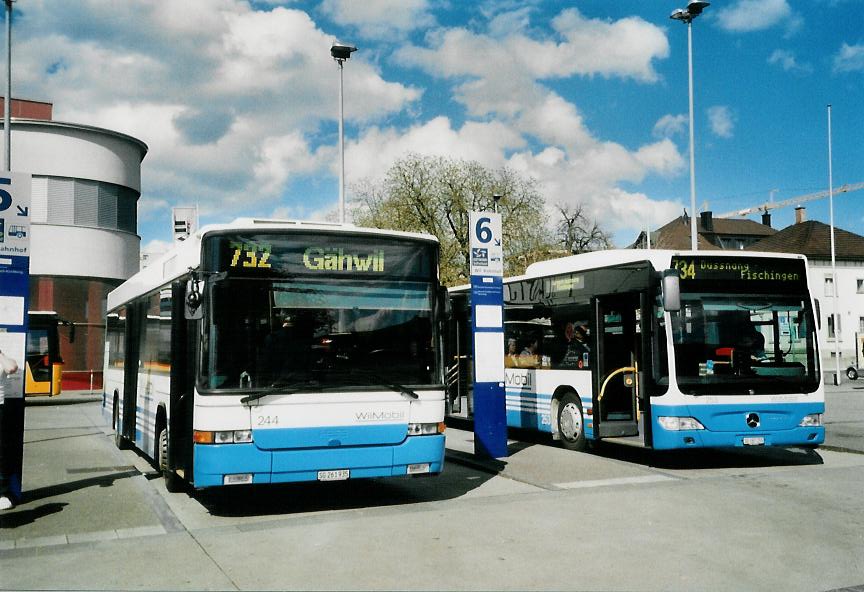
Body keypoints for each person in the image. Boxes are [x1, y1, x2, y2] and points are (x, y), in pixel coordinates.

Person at [0, 348, 20, 511]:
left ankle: (2, 493)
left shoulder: (3, 360)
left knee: (1, 454)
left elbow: (12, 368)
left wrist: (0, 354)